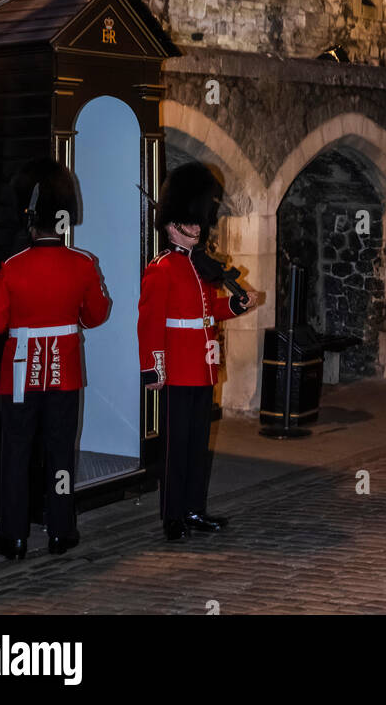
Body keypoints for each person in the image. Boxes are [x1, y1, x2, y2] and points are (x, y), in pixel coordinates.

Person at [0, 157, 111, 560]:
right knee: (60, 454)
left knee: (16, 455)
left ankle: (14, 535)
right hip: (65, 375)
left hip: (19, 375)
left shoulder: (13, 268)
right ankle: (60, 530)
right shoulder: (83, 264)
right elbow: (97, 314)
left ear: (31, 220)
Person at [138, 162, 259, 542]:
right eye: (190, 222)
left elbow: (210, 313)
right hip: (178, 368)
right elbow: (150, 325)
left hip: (204, 367)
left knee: (197, 446)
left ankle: (194, 508)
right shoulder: (161, 269)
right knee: (175, 448)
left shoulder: (201, 267)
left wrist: (239, 305)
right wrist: (154, 370)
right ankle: (173, 515)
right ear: (172, 224)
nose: (197, 228)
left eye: (199, 222)